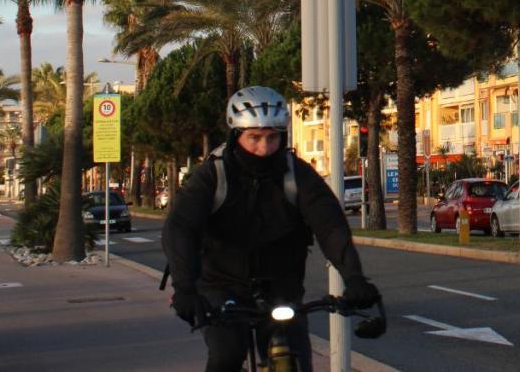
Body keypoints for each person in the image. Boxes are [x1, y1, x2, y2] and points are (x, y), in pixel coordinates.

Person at [163, 86, 381, 372]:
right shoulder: (213, 176)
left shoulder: (296, 174)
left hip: (282, 285)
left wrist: (354, 278)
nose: (264, 148)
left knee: (295, 359)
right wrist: (185, 289)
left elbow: (330, 226)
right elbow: (180, 228)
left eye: (272, 137)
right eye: (254, 138)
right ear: (236, 135)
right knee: (227, 354)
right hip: (220, 283)